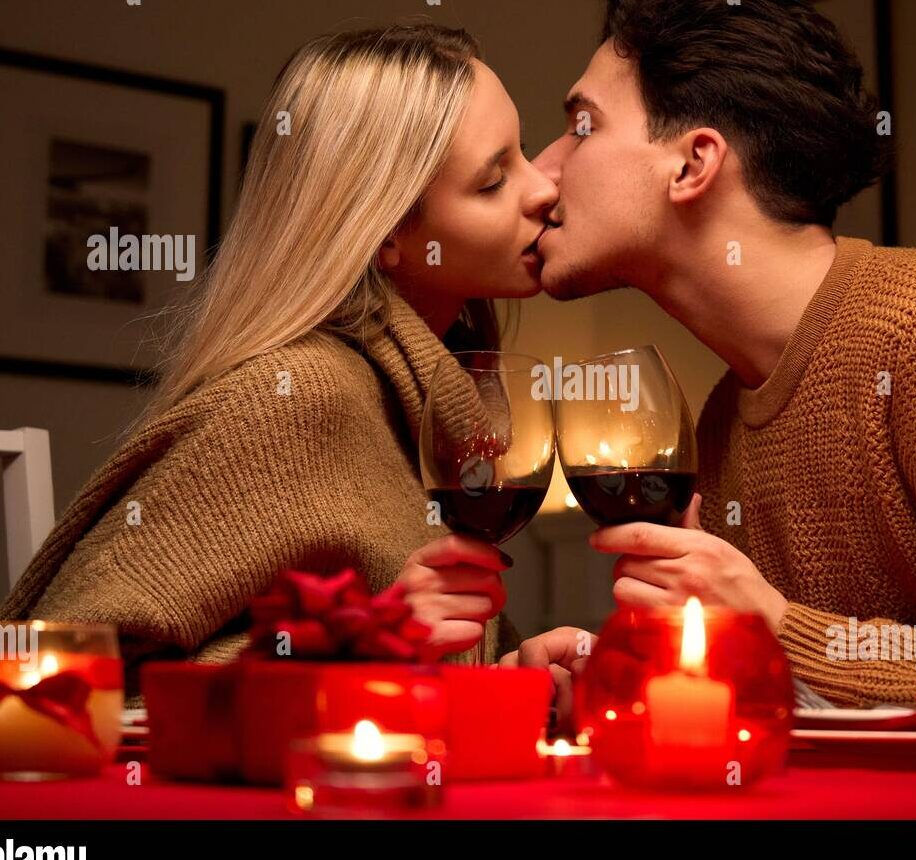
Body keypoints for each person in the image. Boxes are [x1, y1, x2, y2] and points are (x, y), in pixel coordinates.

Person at [523, 0, 916, 712]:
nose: (543, 170)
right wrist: (620, 682)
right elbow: (810, 705)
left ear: (693, 163)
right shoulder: (723, 417)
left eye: (581, 125)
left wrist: (778, 628)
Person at [2, 24, 559, 695]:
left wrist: (506, 681)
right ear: (385, 232)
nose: (543, 189)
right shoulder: (296, 397)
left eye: (523, 153)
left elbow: (401, 683)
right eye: (494, 179)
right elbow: (55, 676)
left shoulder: (435, 401)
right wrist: (355, 651)